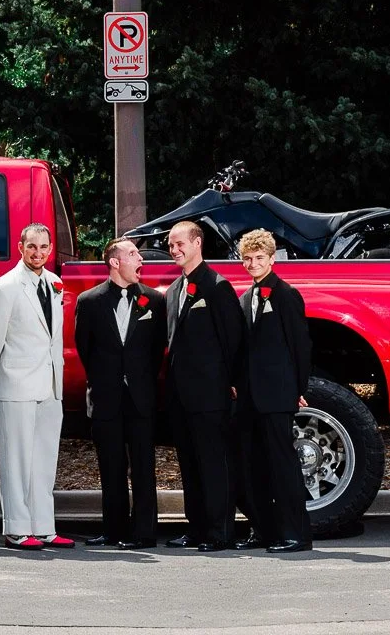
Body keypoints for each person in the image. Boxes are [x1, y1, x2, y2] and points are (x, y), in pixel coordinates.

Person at [0, 223, 75, 550]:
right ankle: (17, 529)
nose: (38, 253)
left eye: (44, 247)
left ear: (50, 249)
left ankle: (44, 527)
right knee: (16, 460)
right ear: (21, 247)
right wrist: (4, 375)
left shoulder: (54, 283)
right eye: (31, 247)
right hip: (16, 384)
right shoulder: (3, 287)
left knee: (45, 460)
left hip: (50, 384)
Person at [73, 237, 166, 549]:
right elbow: (85, 349)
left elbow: (157, 351)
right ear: (114, 262)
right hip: (106, 397)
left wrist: (140, 380)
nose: (140, 258)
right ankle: (113, 530)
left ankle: (144, 533)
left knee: (143, 466)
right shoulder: (88, 301)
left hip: (141, 397)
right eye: (133, 254)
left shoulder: (154, 301)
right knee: (110, 466)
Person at [163, 220, 245, 551]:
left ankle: (220, 532)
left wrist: (234, 384)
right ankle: (194, 529)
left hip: (211, 394)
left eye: (180, 243)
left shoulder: (217, 287)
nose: (174, 249)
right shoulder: (172, 291)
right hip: (180, 396)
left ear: (198, 243)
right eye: (170, 245)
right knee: (189, 465)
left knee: (215, 465)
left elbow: (233, 340)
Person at [234, 229, 313, 553]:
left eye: (259, 258)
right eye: (248, 259)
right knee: (253, 465)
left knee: (283, 466)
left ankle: (297, 534)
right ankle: (263, 530)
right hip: (250, 397)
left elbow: (300, 345)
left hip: (278, 395)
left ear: (272, 258)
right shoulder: (244, 298)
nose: (253, 264)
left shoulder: (285, 295)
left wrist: (298, 389)